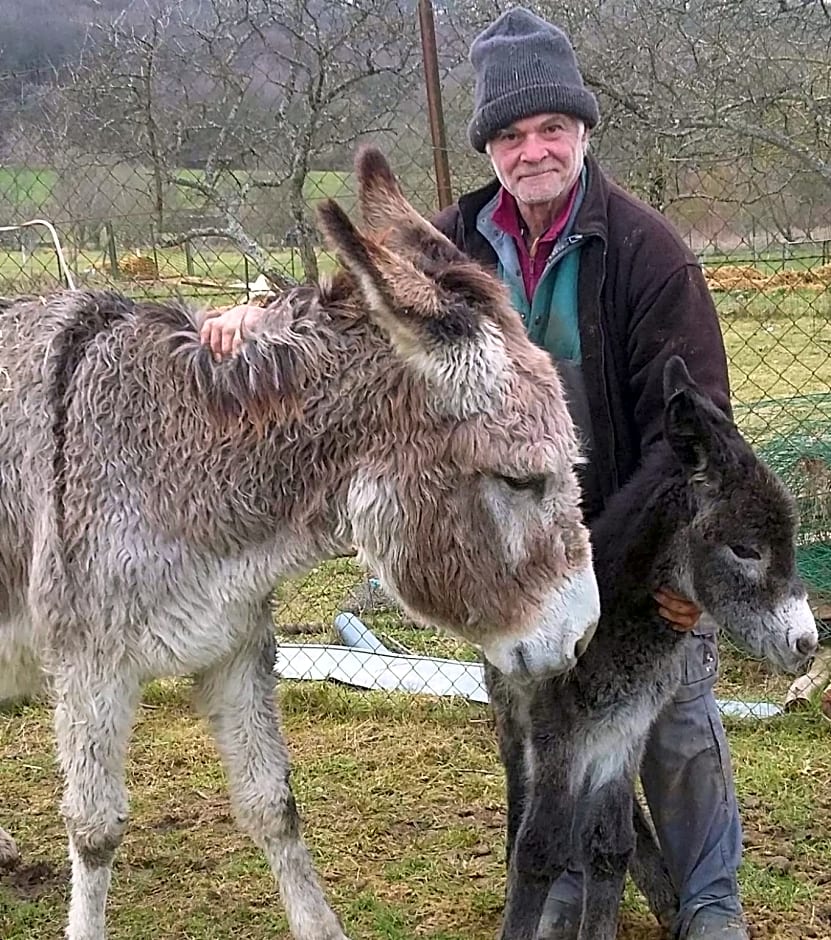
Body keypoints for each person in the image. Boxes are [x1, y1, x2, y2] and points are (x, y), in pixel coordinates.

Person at [199, 9, 746, 938]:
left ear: (580, 132)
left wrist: (638, 565)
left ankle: (708, 899)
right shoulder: (452, 242)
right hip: (513, 543)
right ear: (489, 146)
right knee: (534, 728)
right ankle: (559, 886)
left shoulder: (650, 254)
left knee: (675, 721)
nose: (531, 151)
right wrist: (261, 315)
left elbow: (695, 433)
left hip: (637, 533)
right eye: (510, 135)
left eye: (549, 130)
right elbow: (348, 302)